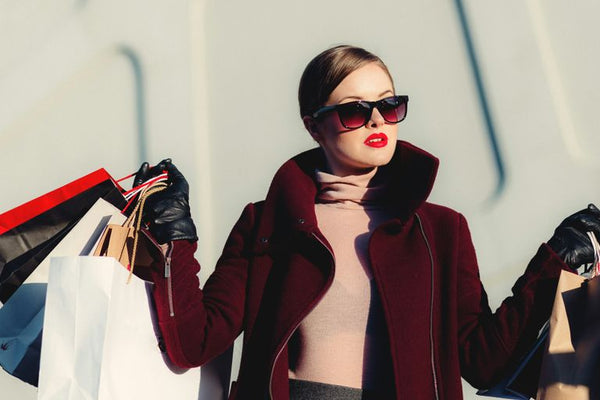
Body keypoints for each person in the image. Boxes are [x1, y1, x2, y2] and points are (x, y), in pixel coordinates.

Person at [134, 45, 600, 400]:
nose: (377, 119)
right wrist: (175, 237)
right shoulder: (269, 222)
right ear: (314, 126)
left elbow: (483, 361)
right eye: (354, 110)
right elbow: (194, 342)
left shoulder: (442, 231)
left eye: (389, 105)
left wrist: (555, 258)